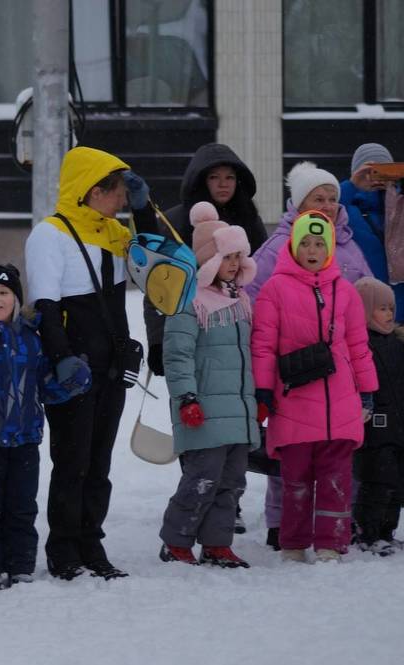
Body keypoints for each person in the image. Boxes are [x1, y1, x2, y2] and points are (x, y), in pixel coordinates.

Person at [248, 161, 373, 549]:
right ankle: (280, 526)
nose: (328, 204)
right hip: (295, 374)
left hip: (340, 374)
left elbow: (366, 298)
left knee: (338, 460)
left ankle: (336, 529)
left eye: (333, 198)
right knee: (291, 460)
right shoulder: (276, 250)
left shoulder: (348, 241)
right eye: (318, 198)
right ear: (299, 203)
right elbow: (255, 309)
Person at [24, 145, 132, 581]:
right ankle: (64, 548)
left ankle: (92, 542)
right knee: (73, 460)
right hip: (73, 366)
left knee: (100, 460)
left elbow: (165, 273)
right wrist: (62, 359)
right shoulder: (51, 234)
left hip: (111, 363)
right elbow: (46, 306)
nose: (123, 199)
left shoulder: (117, 234)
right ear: (93, 191)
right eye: (118, 191)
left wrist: (150, 212)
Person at [0, 265, 76, 590]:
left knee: (22, 505)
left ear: (16, 297)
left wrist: (69, 384)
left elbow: (45, 384)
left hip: (25, 436)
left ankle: (21, 564)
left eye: (3, 292)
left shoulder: (31, 339)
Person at [158, 202, 259, 568]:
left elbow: (248, 355)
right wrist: (186, 397)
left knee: (231, 481)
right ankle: (176, 541)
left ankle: (217, 544)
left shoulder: (241, 301)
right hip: (203, 408)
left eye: (237, 256)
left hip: (237, 408)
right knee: (202, 478)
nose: (233, 263)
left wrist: (255, 398)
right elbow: (177, 355)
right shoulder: (190, 301)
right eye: (226, 256)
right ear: (209, 259)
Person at [146, 143, 267, 377]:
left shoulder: (249, 219)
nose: (223, 184)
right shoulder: (175, 222)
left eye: (230, 177)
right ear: (201, 180)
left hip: (241, 332)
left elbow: (263, 276)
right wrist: (158, 341)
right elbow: (158, 287)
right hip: (192, 330)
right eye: (214, 177)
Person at [351, 277, 404, 555]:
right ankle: (366, 532)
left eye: (391, 309)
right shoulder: (361, 346)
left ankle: (386, 531)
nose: (389, 314)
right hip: (373, 427)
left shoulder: (396, 343)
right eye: (382, 308)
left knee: (396, 483)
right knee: (377, 481)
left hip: (397, 426)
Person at [340, 144, 404, 318]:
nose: (375, 178)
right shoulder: (346, 210)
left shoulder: (399, 206)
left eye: (383, 170)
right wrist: (352, 185)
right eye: (369, 171)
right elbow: (325, 214)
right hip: (364, 307)